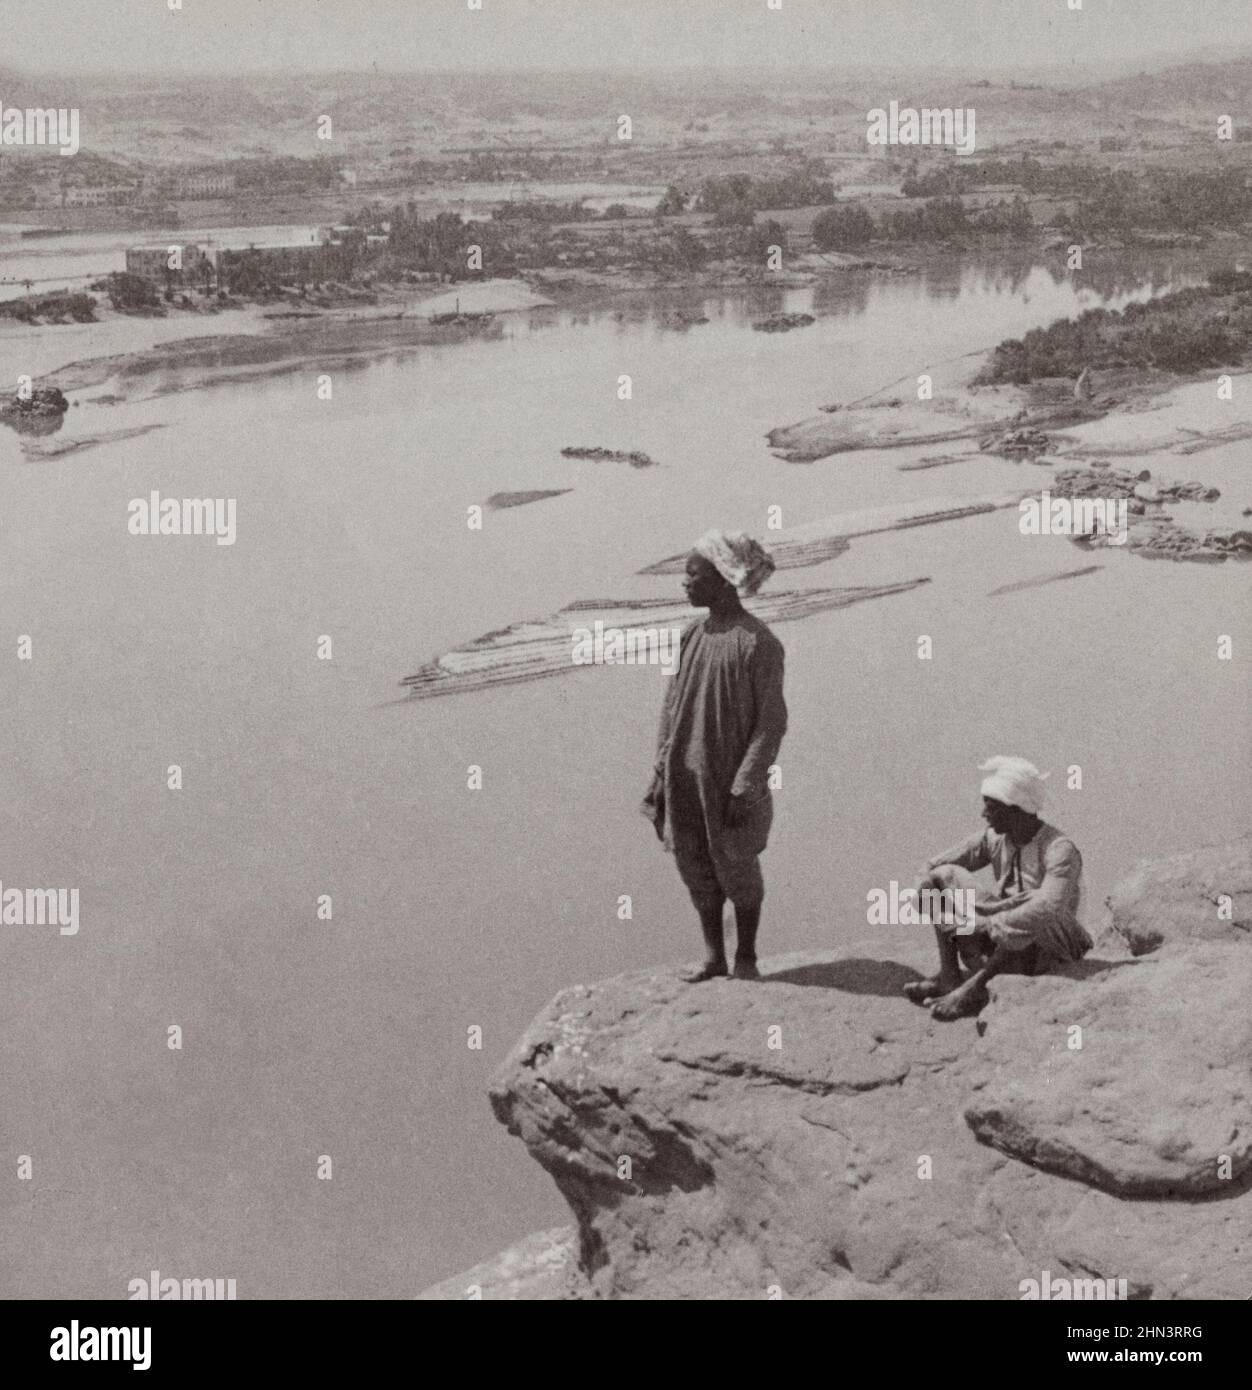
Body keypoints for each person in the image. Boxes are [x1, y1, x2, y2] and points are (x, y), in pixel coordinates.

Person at [642, 530, 787, 982]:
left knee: (736, 863)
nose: (684, 583)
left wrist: (746, 782)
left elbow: (771, 722)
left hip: (729, 779)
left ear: (724, 579)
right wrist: (660, 768)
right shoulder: (691, 635)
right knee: (694, 863)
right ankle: (712, 956)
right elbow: (672, 704)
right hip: (686, 771)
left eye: (692, 574)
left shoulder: (759, 643)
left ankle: (745, 957)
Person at [904, 756, 1092, 1020]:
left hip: (1050, 947)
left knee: (1036, 902)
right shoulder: (993, 838)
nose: (984, 814)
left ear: (1013, 809)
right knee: (941, 876)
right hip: (1003, 937)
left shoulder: (1059, 848)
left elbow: (1050, 907)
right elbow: (933, 866)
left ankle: (975, 987)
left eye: (990, 807)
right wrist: (925, 893)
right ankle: (949, 976)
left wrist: (990, 923)